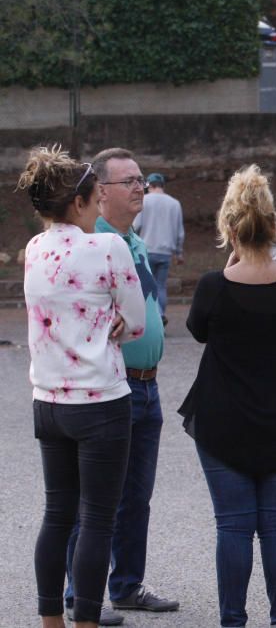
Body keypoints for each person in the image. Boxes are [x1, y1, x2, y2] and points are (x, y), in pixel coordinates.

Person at [180, 165, 276, 628]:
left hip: (223, 422)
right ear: (274, 226)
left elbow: (198, 332)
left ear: (228, 226)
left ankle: (233, 622)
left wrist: (229, 269)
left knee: (233, 526)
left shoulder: (212, 288)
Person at [19, 146, 146, 628]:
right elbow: (135, 322)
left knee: (58, 515)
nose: (99, 209)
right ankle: (87, 622)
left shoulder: (34, 248)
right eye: (95, 200)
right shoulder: (108, 247)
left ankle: (51, 619)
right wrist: (112, 318)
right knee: (97, 519)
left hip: (48, 400)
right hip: (101, 401)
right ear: (79, 203)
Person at [64, 148, 179, 625]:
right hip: (111, 387)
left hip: (146, 387)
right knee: (93, 498)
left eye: (139, 180)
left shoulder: (132, 239)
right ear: (100, 192)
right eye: (128, 181)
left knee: (136, 495)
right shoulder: (91, 242)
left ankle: (127, 585)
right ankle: (77, 593)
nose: (139, 188)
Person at [133, 172, 184, 326]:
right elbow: (179, 232)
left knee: (146, 284)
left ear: (150, 185)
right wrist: (179, 252)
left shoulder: (144, 201)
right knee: (161, 285)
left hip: (146, 250)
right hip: (165, 252)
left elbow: (136, 226)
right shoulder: (175, 203)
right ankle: (161, 313)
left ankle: (155, 316)